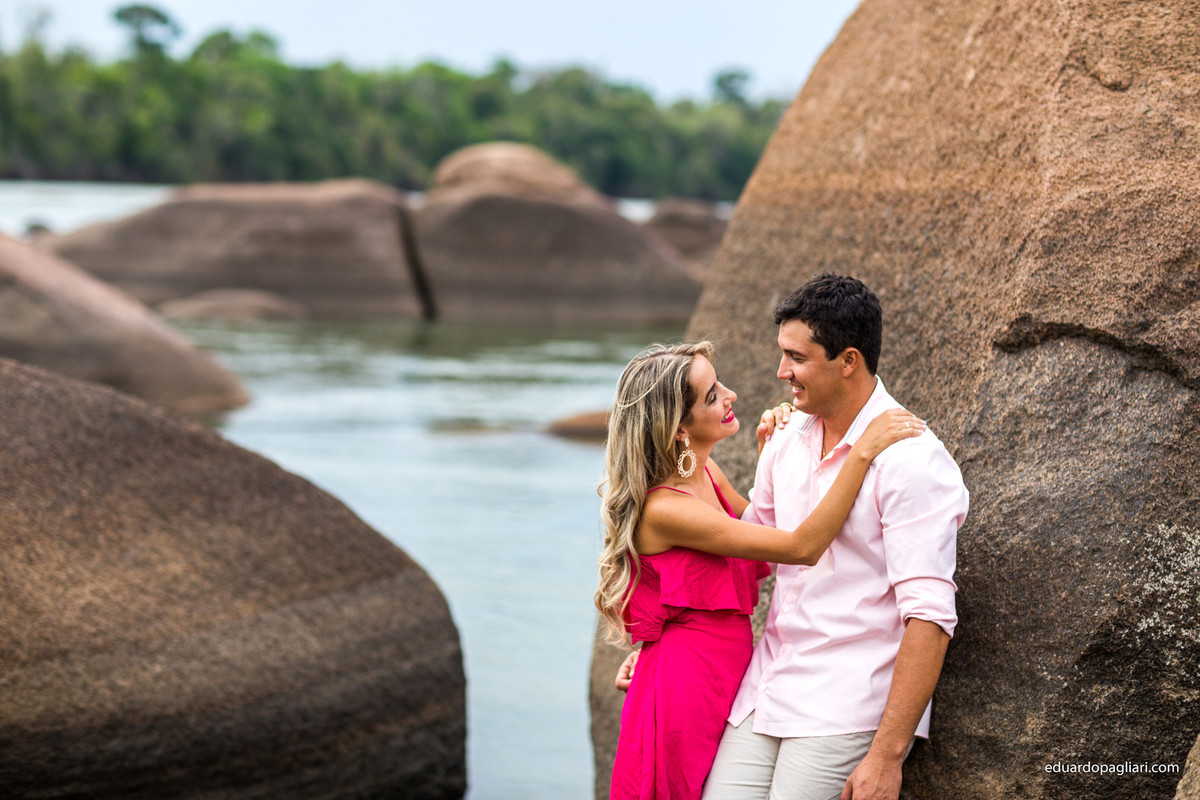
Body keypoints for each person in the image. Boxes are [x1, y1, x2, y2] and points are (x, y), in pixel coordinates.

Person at [681, 273, 968, 800]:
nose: (781, 371)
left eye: (796, 357)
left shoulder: (912, 460)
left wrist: (886, 756)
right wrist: (658, 638)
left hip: (846, 700)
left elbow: (929, 615)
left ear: (848, 361)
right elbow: (753, 549)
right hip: (766, 687)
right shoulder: (787, 437)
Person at [596, 339, 924, 800]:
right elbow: (800, 545)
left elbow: (764, 538)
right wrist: (862, 451)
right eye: (712, 396)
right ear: (678, 430)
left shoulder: (708, 476)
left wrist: (772, 452)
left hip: (730, 675)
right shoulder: (666, 509)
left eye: (720, 384)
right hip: (686, 684)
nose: (731, 395)